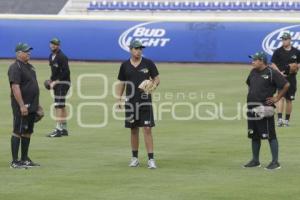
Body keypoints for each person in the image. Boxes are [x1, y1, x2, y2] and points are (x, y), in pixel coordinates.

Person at [116, 40, 160, 169]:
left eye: (140, 48)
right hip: (130, 102)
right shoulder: (124, 65)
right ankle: (134, 158)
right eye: (136, 48)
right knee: (133, 130)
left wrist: (152, 85)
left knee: (147, 129)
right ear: (130, 50)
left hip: (145, 101)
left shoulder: (148, 63)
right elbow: (121, 83)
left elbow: (157, 78)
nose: (138, 51)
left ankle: (151, 159)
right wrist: (118, 99)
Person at [244, 51, 289, 170]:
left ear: (262, 61)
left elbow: (286, 85)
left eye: (254, 59)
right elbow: (249, 84)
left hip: (264, 108)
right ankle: (255, 160)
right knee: (254, 135)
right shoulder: (253, 71)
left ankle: (275, 162)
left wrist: (277, 98)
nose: (252, 61)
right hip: (251, 107)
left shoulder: (271, 72)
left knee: (270, 135)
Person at [8, 43, 42, 169]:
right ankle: (15, 161)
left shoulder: (30, 67)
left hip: (32, 105)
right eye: (26, 51)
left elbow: (33, 87)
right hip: (21, 105)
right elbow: (15, 87)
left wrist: (38, 106)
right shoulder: (15, 67)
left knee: (27, 132)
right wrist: (22, 105)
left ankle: (24, 159)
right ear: (18, 53)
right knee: (18, 131)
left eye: (29, 51)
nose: (29, 53)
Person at [271, 32, 300, 127]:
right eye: (282, 39)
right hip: (280, 78)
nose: (284, 41)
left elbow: (298, 63)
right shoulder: (278, 51)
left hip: (291, 78)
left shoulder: (296, 51)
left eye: (285, 39)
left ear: (290, 40)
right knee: (280, 98)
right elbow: (273, 64)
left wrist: (295, 68)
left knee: (289, 99)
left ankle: (287, 120)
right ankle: (279, 119)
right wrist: (279, 73)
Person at [46, 38, 71, 137]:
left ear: (59, 46)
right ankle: (64, 129)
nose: (53, 46)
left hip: (63, 83)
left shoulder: (62, 57)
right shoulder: (51, 56)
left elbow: (66, 72)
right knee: (62, 105)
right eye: (51, 44)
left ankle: (58, 129)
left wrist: (56, 81)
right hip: (58, 83)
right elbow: (54, 72)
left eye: (55, 44)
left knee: (58, 106)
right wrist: (51, 80)